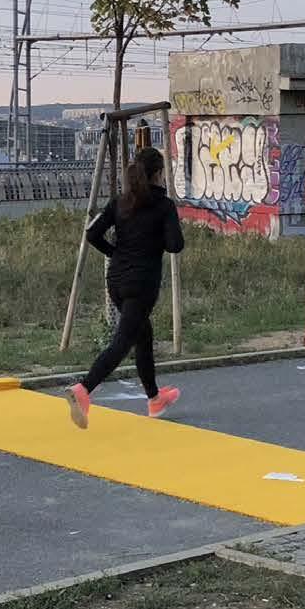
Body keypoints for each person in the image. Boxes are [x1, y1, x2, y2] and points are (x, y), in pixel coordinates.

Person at [66, 147, 187, 429]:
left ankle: (155, 399)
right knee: (123, 340)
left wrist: (115, 253)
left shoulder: (120, 202)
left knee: (143, 335)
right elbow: (175, 245)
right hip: (141, 284)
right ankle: (84, 389)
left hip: (116, 281)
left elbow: (92, 233)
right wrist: (159, 234)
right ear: (159, 174)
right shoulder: (163, 205)